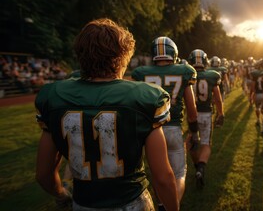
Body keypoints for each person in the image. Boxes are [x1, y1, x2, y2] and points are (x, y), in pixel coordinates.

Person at [35, 18, 179, 211]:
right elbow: (163, 177)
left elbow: (44, 174)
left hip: (83, 204)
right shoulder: (144, 97)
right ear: (123, 56)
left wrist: (61, 193)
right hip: (132, 203)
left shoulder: (54, 97)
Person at [132, 36, 198, 208]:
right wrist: (194, 131)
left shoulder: (141, 73)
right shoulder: (184, 71)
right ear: (173, 52)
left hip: (151, 131)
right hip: (174, 128)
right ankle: (171, 206)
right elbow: (192, 109)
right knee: (179, 174)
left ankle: (162, 203)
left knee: (157, 172)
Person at [187, 49, 224, 189]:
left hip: (192, 114)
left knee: (192, 141)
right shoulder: (212, 75)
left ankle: (197, 166)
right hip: (206, 114)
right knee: (206, 144)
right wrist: (221, 113)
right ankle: (201, 169)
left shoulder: (186, 74)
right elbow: (218, 99)